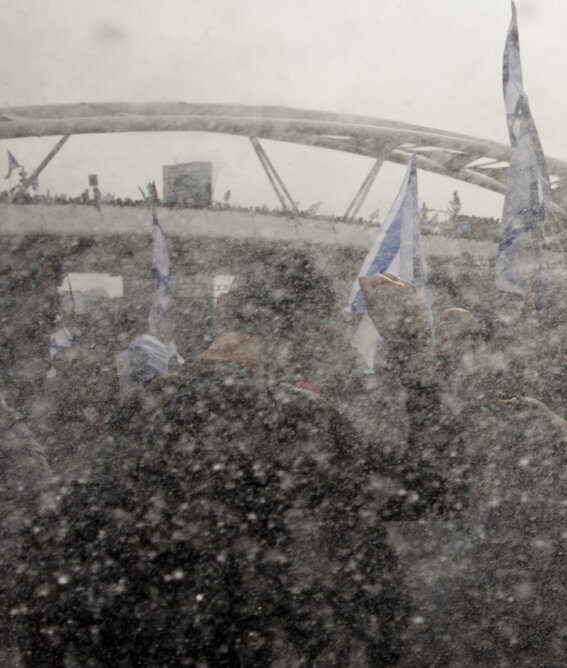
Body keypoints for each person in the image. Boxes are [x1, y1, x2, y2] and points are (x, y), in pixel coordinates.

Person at [11, 250, 414, 665]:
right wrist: (411, 344)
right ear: (315, 334)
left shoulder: (135, 412)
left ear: (222, 311)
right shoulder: (298, 420)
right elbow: (431, 491)